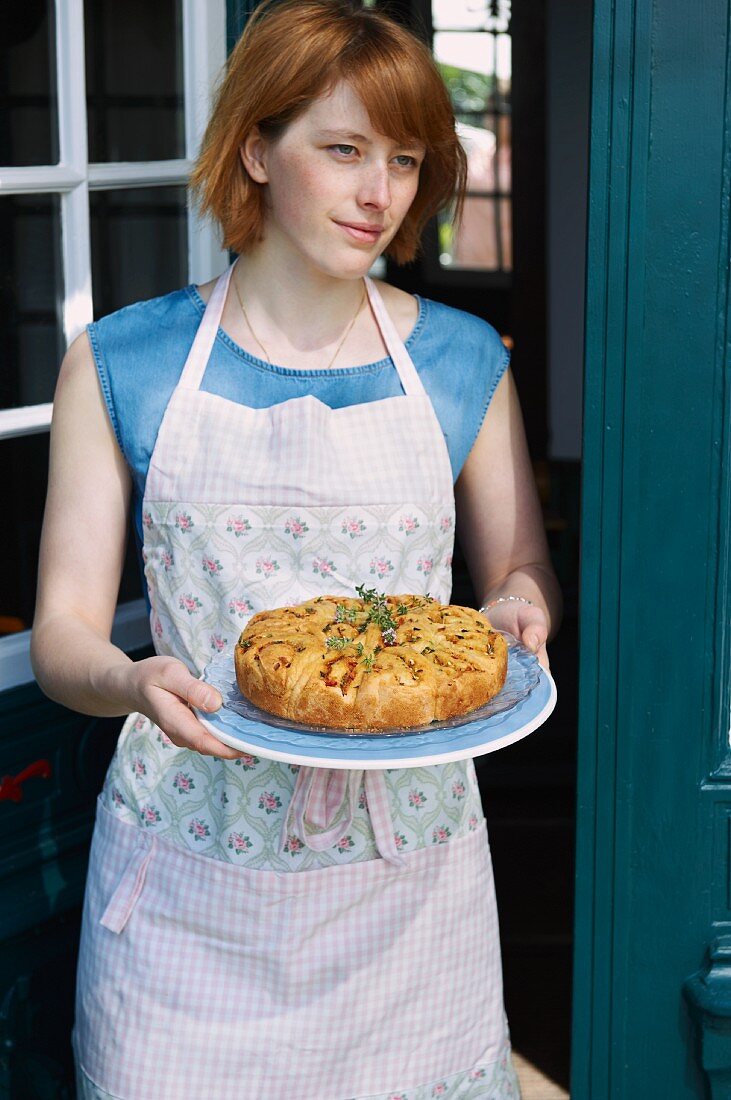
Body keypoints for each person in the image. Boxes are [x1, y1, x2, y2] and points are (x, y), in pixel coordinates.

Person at [31, 1, 562, 1096]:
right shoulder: (123, 360)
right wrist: (131, 679)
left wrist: (514, 606)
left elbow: (519, 572)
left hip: (406, 894)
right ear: (254, 151)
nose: (381, 194)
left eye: (406, 160)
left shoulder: (464, 360)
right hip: (189, 890)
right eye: (343, 150)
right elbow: (60, 635)